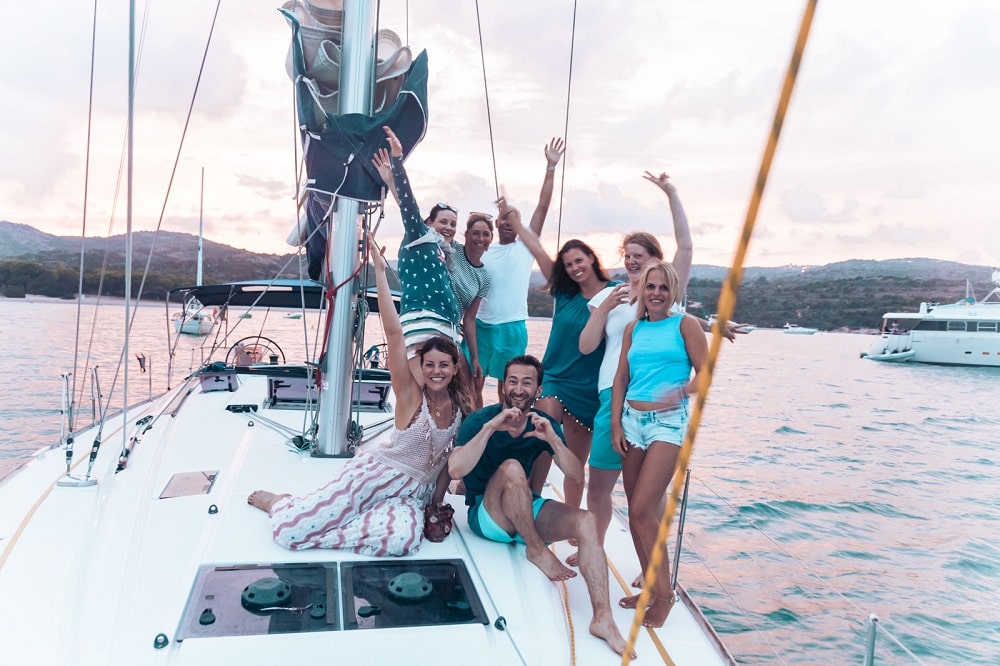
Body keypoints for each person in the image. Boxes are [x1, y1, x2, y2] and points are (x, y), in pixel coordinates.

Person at [247, 234, 474, 556]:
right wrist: (379, 273)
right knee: (291, 533)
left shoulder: (462, 408)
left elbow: (447, 465)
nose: (436, 371)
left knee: (403, 541)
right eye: (430, 365)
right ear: (420, 367)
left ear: (454, 368)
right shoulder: (412, 397)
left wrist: (436, 504)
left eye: (444, 365)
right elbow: (394, 334)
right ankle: (283, 503)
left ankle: (341, 519)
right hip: (377, 476)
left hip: (413, 495)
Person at [448, 354, 630, 657]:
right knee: (511, 468)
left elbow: (574, 475)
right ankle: (535, 548)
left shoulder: (541, 424)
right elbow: (456, 471)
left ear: (538, 390)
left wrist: (554, 441)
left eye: (527, 383)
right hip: (487, 514)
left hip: (524, 510)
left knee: (587, 521)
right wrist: (492, 427)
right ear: (504, 386)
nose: (519, 388)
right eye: (513, 381)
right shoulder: (480, 421)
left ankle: (603, 618)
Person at [611, 261, 707, 627]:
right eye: (650, 287)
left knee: (640, 510)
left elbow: (707, 373)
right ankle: (651, 588)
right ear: (642, 290)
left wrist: (680, 391)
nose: (655, 293)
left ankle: (665, 594)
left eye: (663, 288)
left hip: (667, 425)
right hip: (631, 423)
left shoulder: (685, 325)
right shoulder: (633, 329)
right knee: (640, 518)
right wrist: (616, 423)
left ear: (673, 292)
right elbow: (621, 377)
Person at [510, 207, 617, 509]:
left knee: (574, 462)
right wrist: (515, 221)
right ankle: (530, 500)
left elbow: (660, 308)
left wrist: (708, 325)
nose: (574, 268)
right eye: (568, 264)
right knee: (544, 431)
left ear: (592, 258)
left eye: (579, 261)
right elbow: (536, 248)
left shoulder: (615, 293)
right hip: (555, 377)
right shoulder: (564, 293)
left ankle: (572, 518)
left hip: (589, 387)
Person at [475, 139, 565, 396]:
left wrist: (550, 168)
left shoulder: (525, 246)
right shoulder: (483, 250)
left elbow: (543, 207)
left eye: (513, 219)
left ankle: (506, 425)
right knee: (475, 381)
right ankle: (475, 427)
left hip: (512, 326)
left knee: (509, 386)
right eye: (504, 217)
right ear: (497, 222)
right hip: (481, 325)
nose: (508, 222)